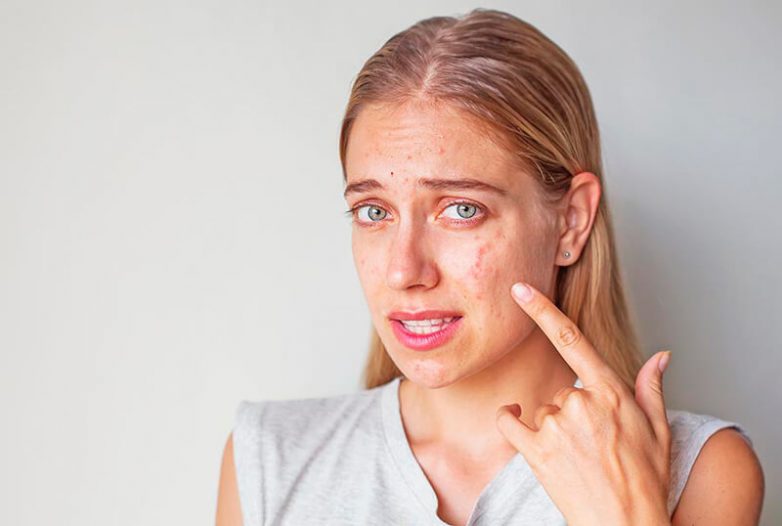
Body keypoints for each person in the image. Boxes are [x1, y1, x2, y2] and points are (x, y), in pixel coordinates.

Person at [216, 8, 764, 526]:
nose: (404, 272)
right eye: (374, 211)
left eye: (461, 209)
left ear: (571, 221)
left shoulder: (701, 471)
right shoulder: (268, 460)